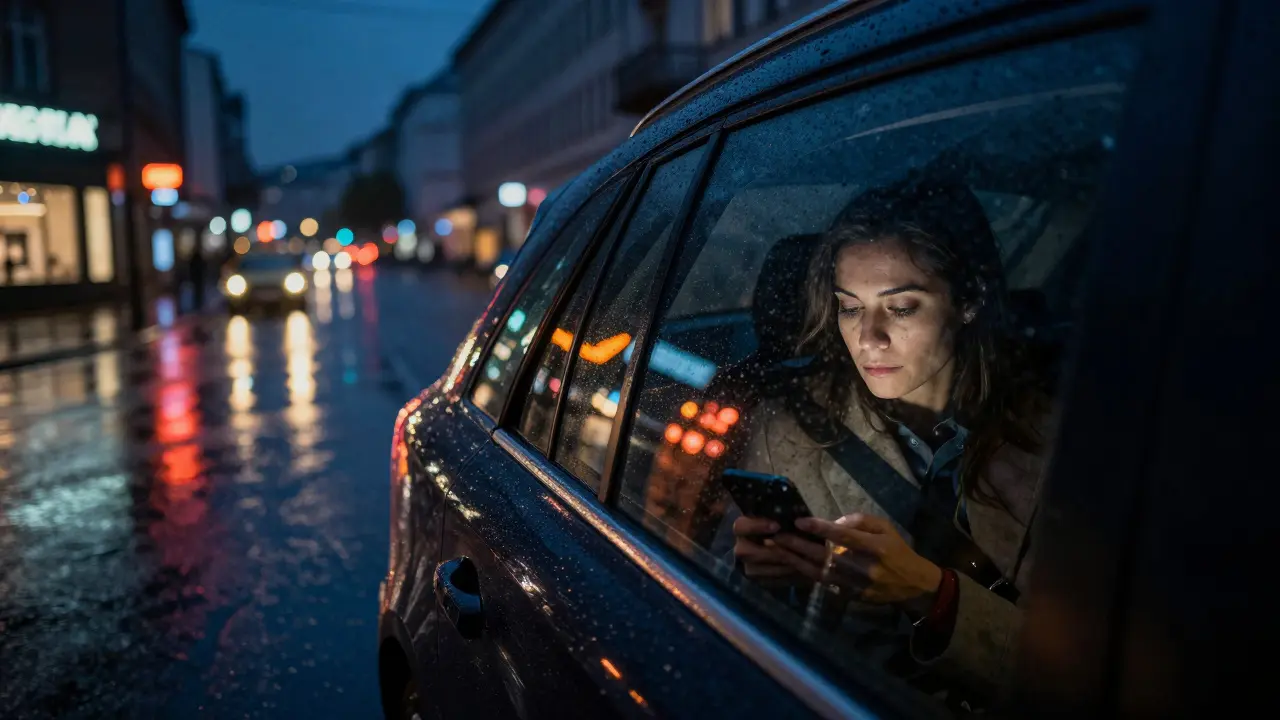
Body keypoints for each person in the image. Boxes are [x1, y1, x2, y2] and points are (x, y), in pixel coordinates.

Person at [730, 180, 1053, 704]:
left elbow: (1095, 669)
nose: (868, 338)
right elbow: (732, 615)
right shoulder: (789, 427)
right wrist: (761, 573)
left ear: (968, 299)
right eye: (850, 308)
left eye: (901, 308)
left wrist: (934, 595)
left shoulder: (1067, 435)